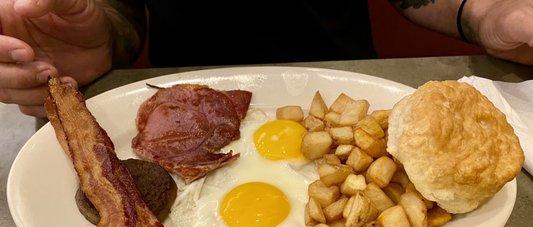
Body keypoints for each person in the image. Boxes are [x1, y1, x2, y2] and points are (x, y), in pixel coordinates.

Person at [0, 0, 531, 117]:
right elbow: (116, 14)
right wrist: (97, 41)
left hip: (349, 92)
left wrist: (486, 11)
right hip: (183, 102)